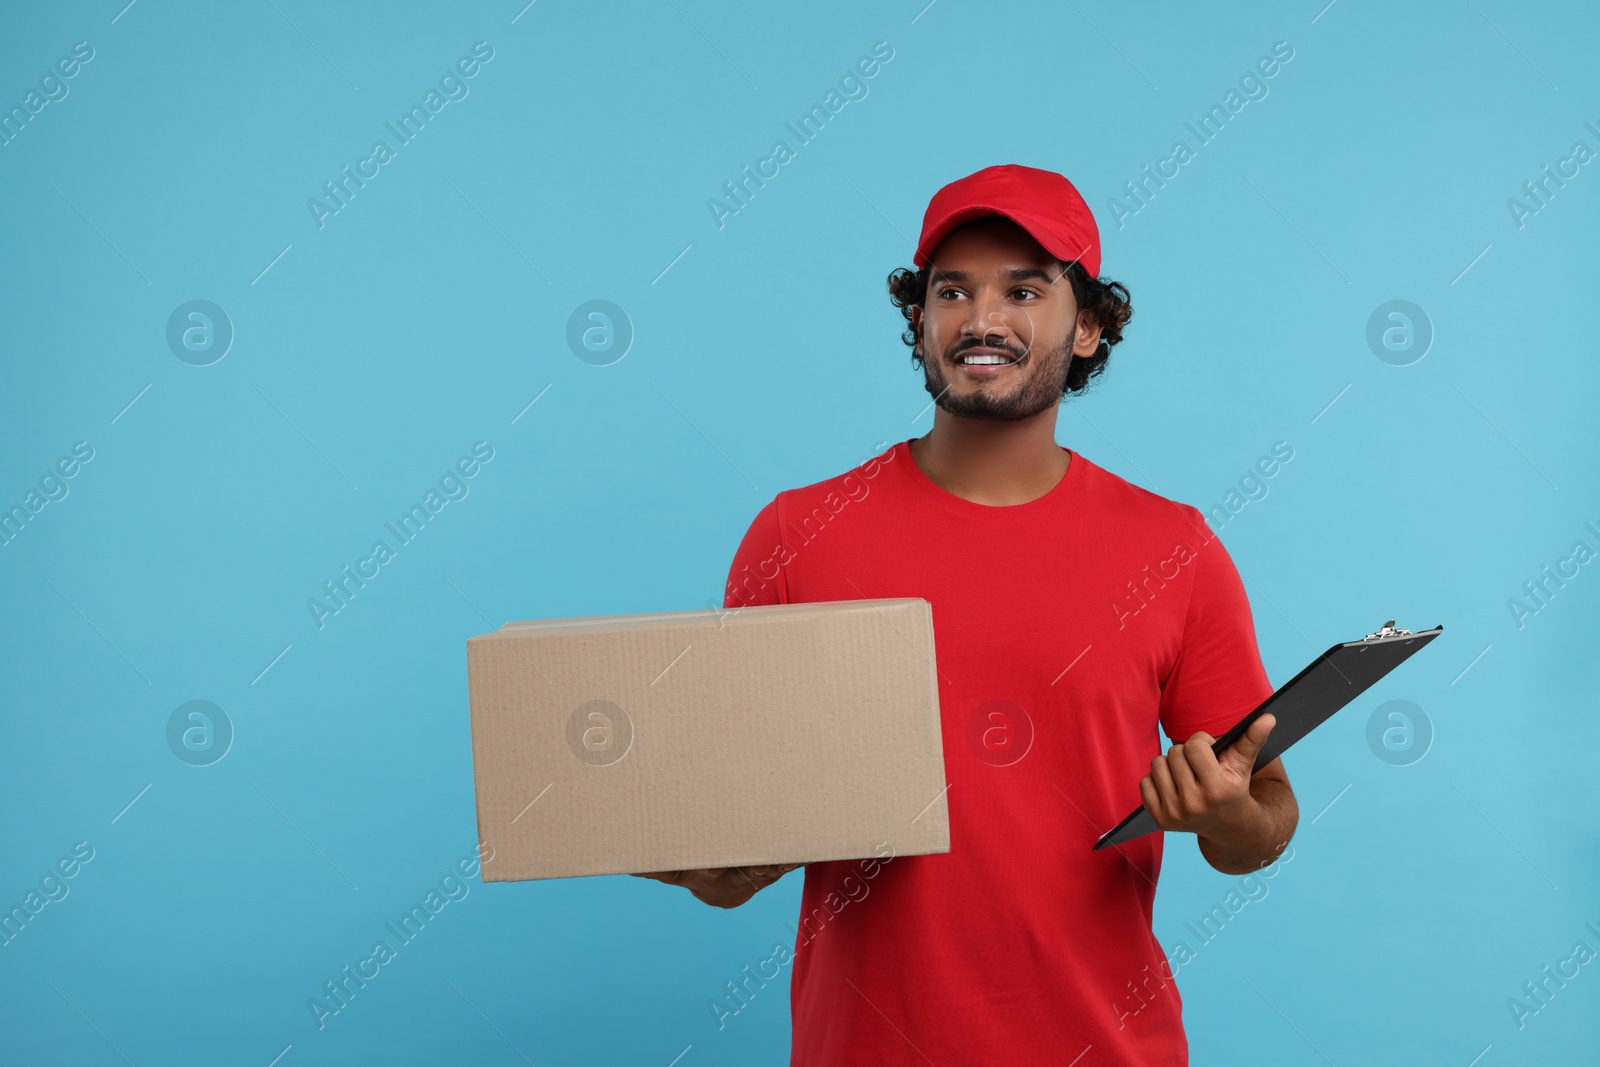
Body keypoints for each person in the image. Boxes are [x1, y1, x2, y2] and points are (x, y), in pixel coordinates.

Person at [634, 163, 1299, 1065]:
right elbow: (736, 857)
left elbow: (1264, 818)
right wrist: (698, 851)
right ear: (920, 319)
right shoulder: (797, 533)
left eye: (1024, 289)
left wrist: (1222, 816)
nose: (982, 319)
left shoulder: (1174, 550)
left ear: (1092, 325)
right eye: (953, 291)